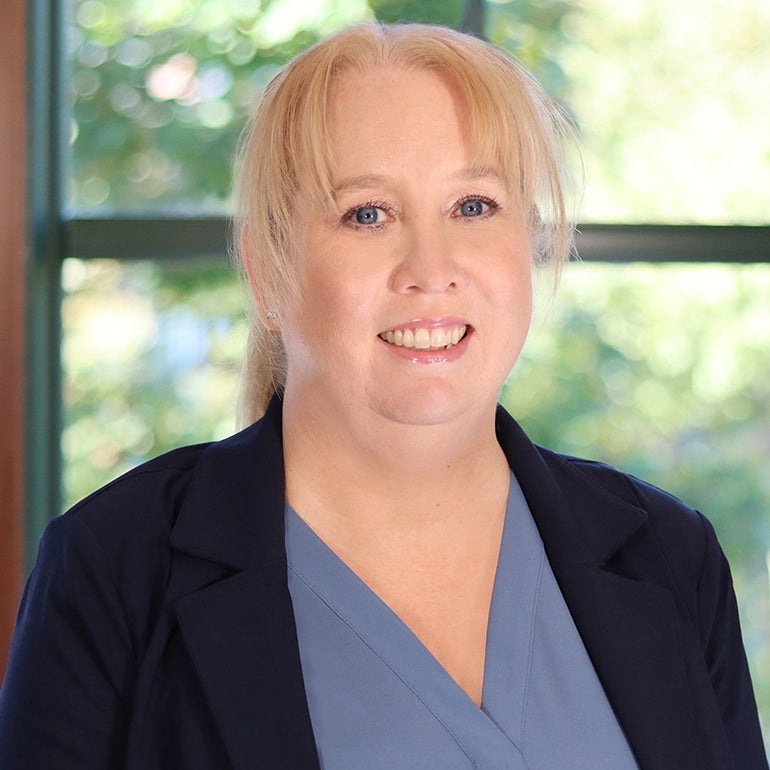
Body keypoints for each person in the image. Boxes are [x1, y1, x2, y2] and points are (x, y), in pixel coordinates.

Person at [0, 22, 766, 770]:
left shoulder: (671, 556)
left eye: (474, 206)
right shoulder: (111, 570)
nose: (431, 269)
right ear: (270, 272)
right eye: (367, 213)